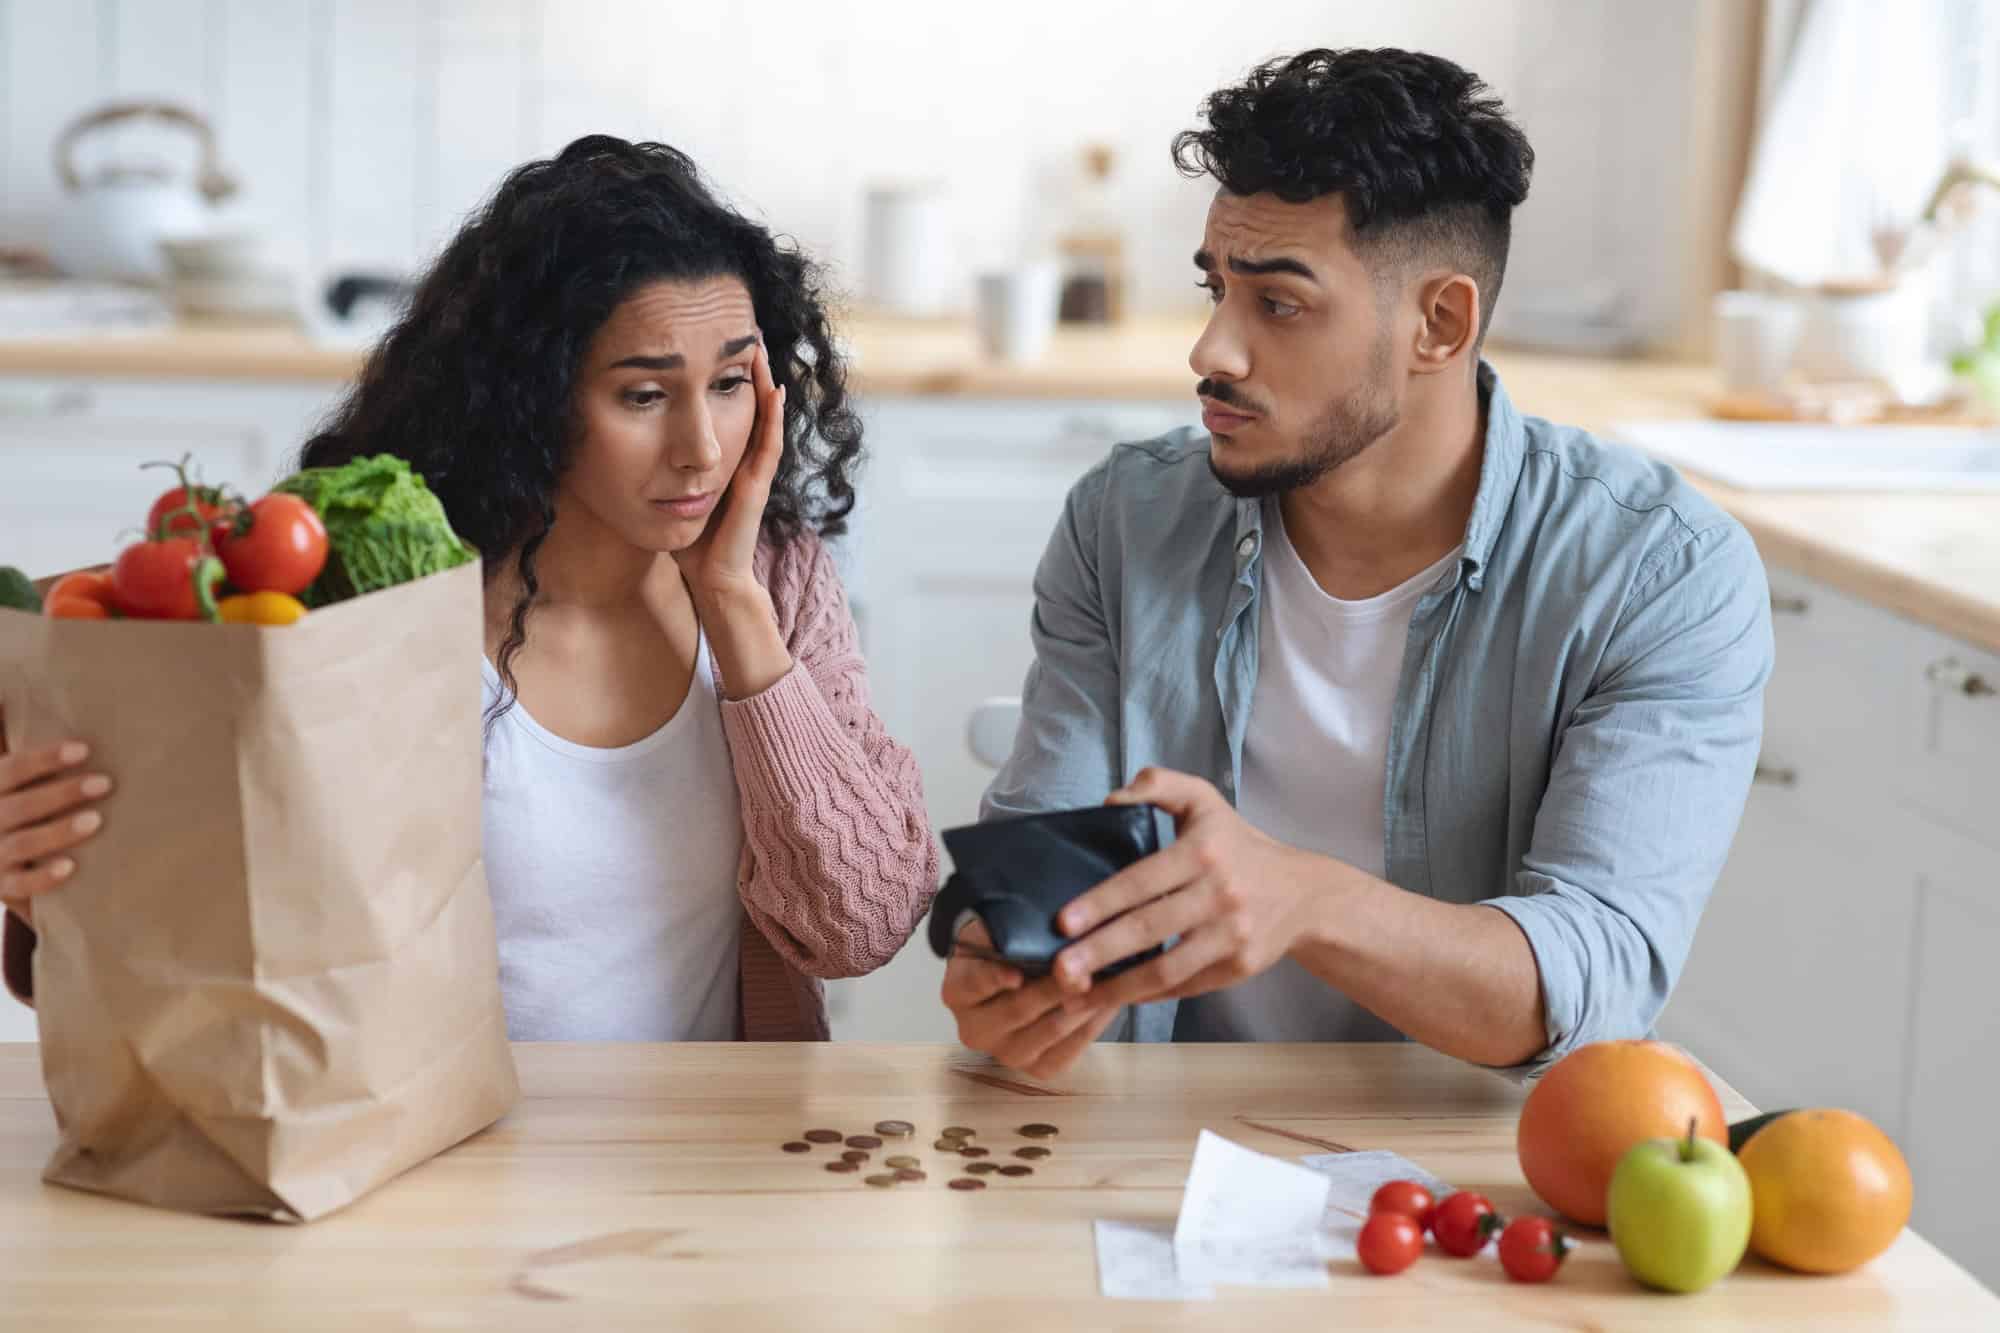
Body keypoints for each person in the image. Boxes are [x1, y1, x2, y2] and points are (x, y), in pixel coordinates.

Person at [941, 49, 1773, 1079]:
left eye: (1277, 305)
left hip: (1475, 1173)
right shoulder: (1124, 520)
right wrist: (1008, 957)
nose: (1211, 351)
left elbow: (1591, 975)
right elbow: (1044, 851)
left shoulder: (1654, 574)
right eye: (1215, 289)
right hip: (1154, 1130)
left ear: (1438, 323)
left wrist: (1306, 898)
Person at [2, 136, 937, 1041]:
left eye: (732, 383)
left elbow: (861, 927)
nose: (701, 447)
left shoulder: (776, 579)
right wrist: (49, 882)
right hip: (427, 1157)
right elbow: (204, 935)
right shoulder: (373, 593)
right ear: (533, 395)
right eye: (644, 396)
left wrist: (733, 608)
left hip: (708, 1157)